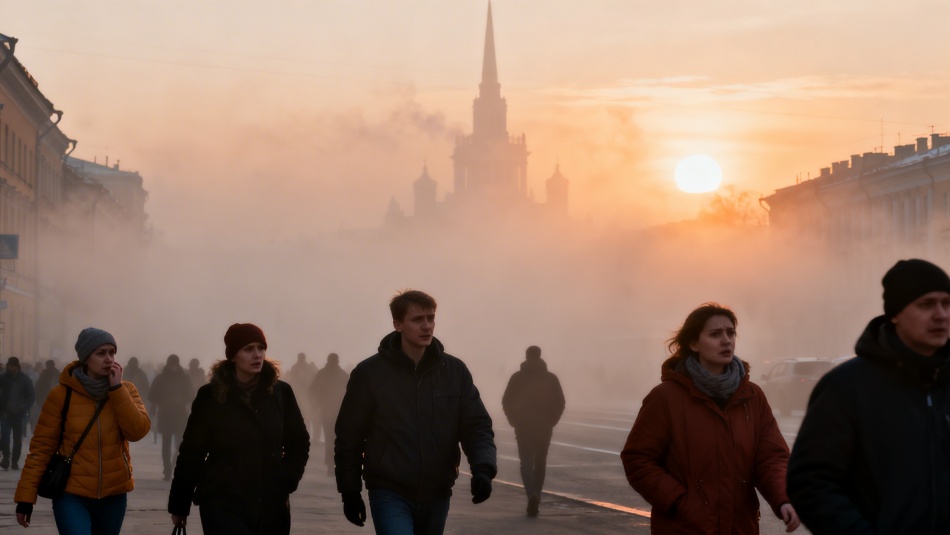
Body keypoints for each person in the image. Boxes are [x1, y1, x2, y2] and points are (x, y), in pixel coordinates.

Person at [788, 259, 950, 534]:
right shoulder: (847, 387)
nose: (941, 314)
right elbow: (811, 482)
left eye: (947, 303)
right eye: (926, 304)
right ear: (895, 314)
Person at [621, 303, 799, 534]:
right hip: (684, 527)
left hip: (739, 527)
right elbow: (638, 459)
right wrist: (679, 502)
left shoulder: (752, 396)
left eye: (730, 332)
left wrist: (783, 498)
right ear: (693, 344)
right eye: (715, 334)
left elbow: (771, 457)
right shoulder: (666, 397)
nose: (726, 340)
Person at [335, 290, 497, 534]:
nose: (427, 326)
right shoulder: (370, 374)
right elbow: (350, 436)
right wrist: (350, 491)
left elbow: (476, 425)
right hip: (390, 490)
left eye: (431, 318)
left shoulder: (454, 371)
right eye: (417, 319)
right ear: (397, 324)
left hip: (438, 492)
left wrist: (483, 468)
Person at [168, 323, 310, 535]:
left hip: (270, 501)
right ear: (233, 356)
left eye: (261, 348)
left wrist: (288, 477)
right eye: (248, 349)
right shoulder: (211, 396)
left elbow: (298, 441)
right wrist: (180, 504)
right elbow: (192, 452)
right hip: (223, 500)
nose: (257, 355)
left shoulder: (281, 393)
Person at [13, 327, 151, 533]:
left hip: (113, 496)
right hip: (71, 495)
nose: (109, 359)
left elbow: (137, 431)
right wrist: (26, 498)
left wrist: (116, 390)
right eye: (101, 353)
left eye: (112, 352)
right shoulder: (61, 395)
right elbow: (41, 449)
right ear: (86, 358)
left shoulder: (126, 390)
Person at [501, 345, 565, 517]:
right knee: (541, 461)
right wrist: (552, 421)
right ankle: (537, 492)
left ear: (526, 356)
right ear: (540, 356)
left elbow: (507, 400)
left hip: (523, 426)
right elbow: (560, 401)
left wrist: (513, 420)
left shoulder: (517, 377)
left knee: (526, 462)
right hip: (544, 426)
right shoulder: (551, 378)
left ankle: (531, 493)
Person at [149, 354, 195, 481]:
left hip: (177, 414)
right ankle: (168, 470)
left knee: (179, 443)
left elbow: (191, 394)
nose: (173, 367)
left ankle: (174, 467)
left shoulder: (179, 378)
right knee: (167, 443)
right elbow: (152, 396)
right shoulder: (165, 378)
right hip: (168, 414)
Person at [308, 352, 348, 476]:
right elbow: (351, 392)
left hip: (326, 411)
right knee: (340, 439)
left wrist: (316, 404)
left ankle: (330, 466)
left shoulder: (322, 374)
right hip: (340, 412)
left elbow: (311, 390)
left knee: (329, 438)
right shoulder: (343, 375)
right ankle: (338, 464)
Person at [0, 356, 36, 470]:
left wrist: (24, 407)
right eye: (8, 365)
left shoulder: (24, 379)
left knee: (17, 440)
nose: (9, 368)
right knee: (5, 437)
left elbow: (32, 394)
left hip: (18, 414)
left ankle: (14, 461)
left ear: (16, 367)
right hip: (5, 413)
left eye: (12, 366)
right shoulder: (3, 378)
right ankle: (6, 458)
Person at [30, 360, 60, 433]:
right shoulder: (57, 372)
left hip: (43, 397)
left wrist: (38, 397)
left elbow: (38, 385)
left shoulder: (44, 373)